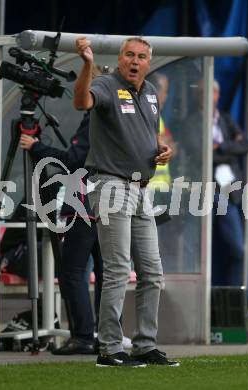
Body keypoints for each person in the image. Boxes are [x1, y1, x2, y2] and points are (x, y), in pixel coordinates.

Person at [74, 36, 179, 367]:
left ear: (149, 62)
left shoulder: (149, 92)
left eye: (142, 57)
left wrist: (162, 149)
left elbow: (147, 133)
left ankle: (145, 344)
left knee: (152, 271)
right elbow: (81, 103)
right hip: (110, 184)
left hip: (140, 189)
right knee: (118, 268)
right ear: (120, 59)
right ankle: (108, 348)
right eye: (129, 55)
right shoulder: (106, 84)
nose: (135, 61)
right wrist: (88, 65)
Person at [19, 110, 103, 354]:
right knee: (107, 274)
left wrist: (37, 147)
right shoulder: (120, 116)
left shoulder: (95, 115)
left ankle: (83, 337)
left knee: (72, 272)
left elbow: (73, 159)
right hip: (111, 204)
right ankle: (108, 337)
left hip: (84, 204)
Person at [211, 80, 248, 286]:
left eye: (211, 93)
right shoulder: (192, 120)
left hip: (229, 192)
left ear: (217, 95)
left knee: (237, 250)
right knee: (199, 254)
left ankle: (233, 300)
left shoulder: (226, 120)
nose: (207, 97)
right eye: (202, 92)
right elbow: (199, 154)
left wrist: (220, 147)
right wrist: (227, 149)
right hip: (203, 192)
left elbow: (245, 144)